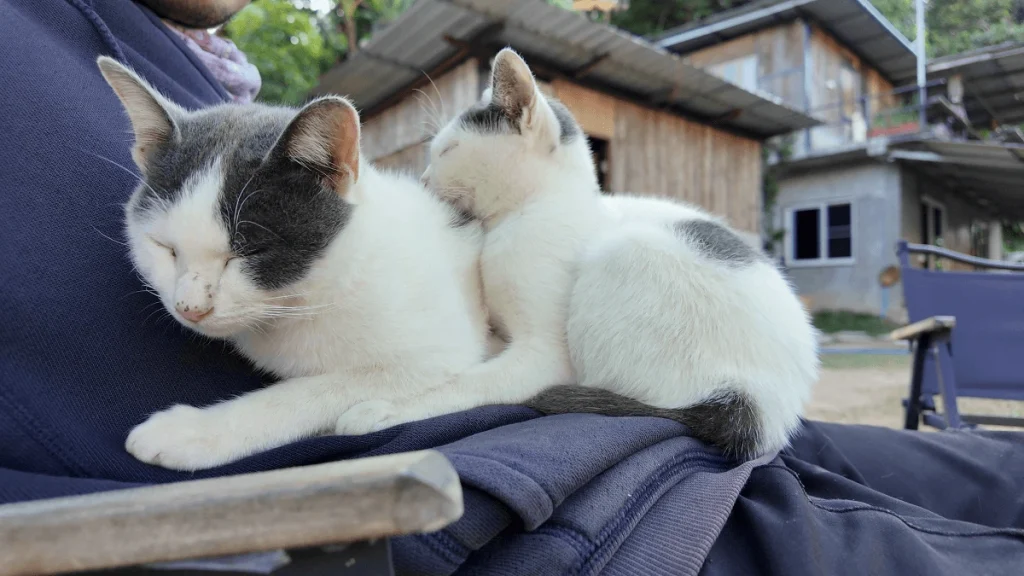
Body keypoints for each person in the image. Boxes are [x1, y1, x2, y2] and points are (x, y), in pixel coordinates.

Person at [1, 1, 1023, 574]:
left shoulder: (210, 91)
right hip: (542, 507)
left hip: (635, 433)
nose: (189, 301)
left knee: (970, 470)